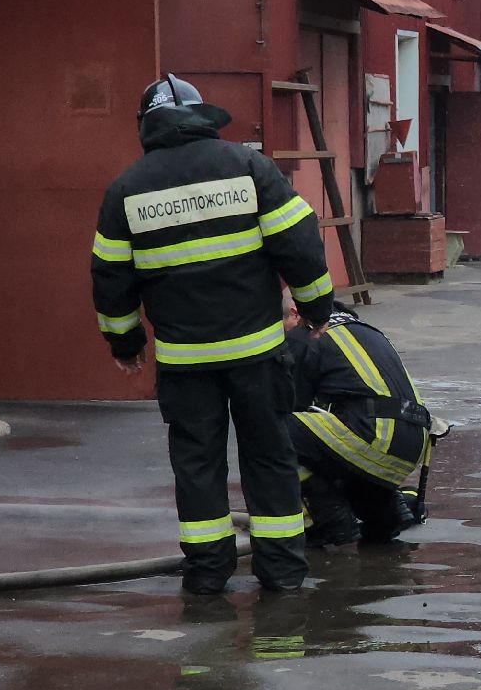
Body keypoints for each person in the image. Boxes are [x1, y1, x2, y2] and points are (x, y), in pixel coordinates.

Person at [91, 74, 333, 595]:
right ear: (203, 116)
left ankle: (206, 575)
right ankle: (283, 572)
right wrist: (317, 308)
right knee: (269, 457)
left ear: (145, 126)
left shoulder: (126, 190)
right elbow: (302, 245)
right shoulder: (249, 168)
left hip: (185, 363)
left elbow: (111, 280)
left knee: (197, 464)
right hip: (259, 354)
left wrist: (126, 344)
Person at [284, 297, 433, 548]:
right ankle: (385, 512)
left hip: (374, 436)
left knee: (269, 430)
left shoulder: (307, 336)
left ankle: (329, 519)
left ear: (295, 314)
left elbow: (291, 404)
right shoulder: (364, 331)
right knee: (328, 442)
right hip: (413, 442)